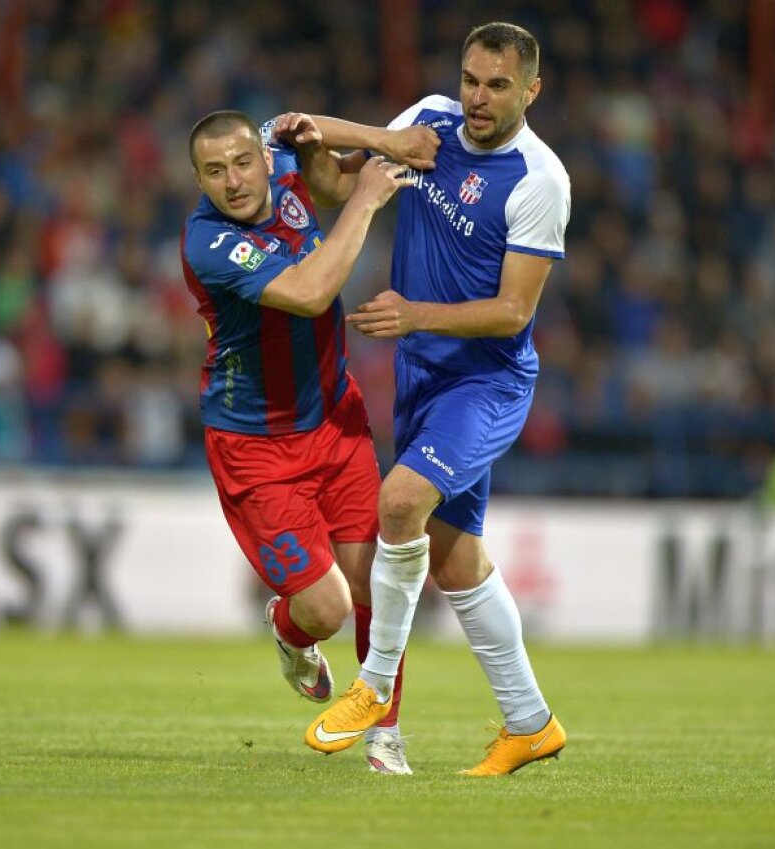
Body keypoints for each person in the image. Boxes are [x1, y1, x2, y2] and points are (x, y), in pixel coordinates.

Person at [279, 21, 571, 775]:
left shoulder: (539, 179)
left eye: (498, 85)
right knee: (454, 558)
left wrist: (412, 314)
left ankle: (373, 687)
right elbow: (340, 186)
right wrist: (313, 141)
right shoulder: (429, 121)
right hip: (423, 378)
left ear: (531, 91)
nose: (478, 97)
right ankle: (530, 723)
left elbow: (513, 312)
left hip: (486, 381)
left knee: (399, 503)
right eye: (472, 78)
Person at [180, 110, 437, 774]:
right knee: (323, 608)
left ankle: (387, 732)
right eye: (214, 171)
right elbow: (313, 291)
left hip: (335, 421)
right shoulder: (209, 242)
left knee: (373, 588)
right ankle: (289, 628)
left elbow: (300, 123)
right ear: (198, 179)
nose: (233, 181)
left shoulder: (281, 155)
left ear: (262, 158)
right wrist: (370, 196)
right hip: (256, 447)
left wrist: (381, 143)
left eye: (242, 162)